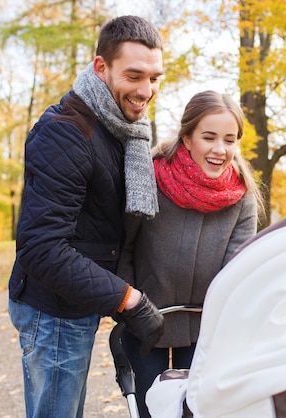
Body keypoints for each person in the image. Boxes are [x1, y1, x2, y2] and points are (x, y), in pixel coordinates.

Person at [7, 15, 166, 418]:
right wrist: (126, 298)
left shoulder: (119, 128)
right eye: (134, 76)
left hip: (76, 303)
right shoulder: (66, 131)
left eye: (154, 77)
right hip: (53, 310)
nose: (146, 91)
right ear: (101, 68)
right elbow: (40, 248)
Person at [117, 90, 264, 417]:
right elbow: (124, 247)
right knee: (149, 408)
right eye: (208, 137)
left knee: (197, 409)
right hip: (145, 317)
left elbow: (236, 269)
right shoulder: (151, 178)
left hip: (204, 326)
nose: (219, 149)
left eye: (229, 140)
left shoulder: (241, 196)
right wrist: (129, 302)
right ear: (187, 137)